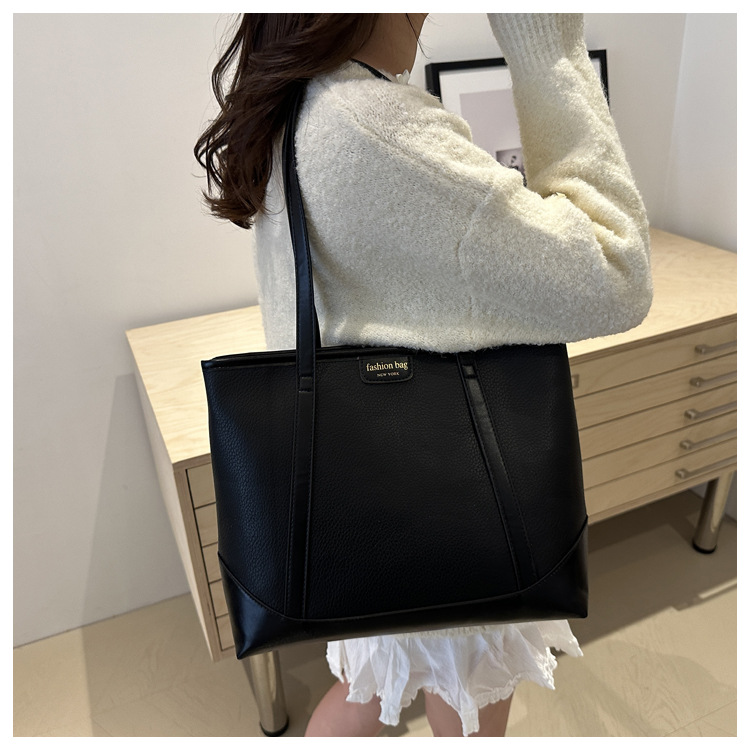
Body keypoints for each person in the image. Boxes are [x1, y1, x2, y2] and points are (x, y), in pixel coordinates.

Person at [195, 13, 653, 737]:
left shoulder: (298, 99)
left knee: (371, 687)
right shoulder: (376, 125)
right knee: (461, 691)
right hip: (448, 508)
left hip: (362, 495)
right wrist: (549, 47)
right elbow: (616, 272)